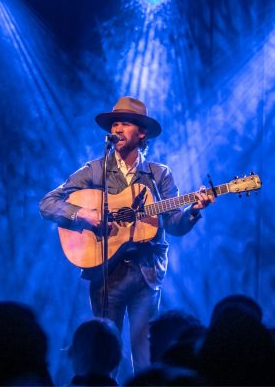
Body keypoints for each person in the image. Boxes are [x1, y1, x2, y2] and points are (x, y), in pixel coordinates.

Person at [39, 96, 214, 373]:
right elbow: (48, 203)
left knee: (145, 351)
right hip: (106, 271)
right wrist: (83, 214)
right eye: (115, 124)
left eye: (126, 124)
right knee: (104, 353)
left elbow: (174, 225)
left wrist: (193, 210)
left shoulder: (159, 175)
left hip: (146, 273)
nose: (118, 129)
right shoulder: (95, 170)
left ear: (141, 132)